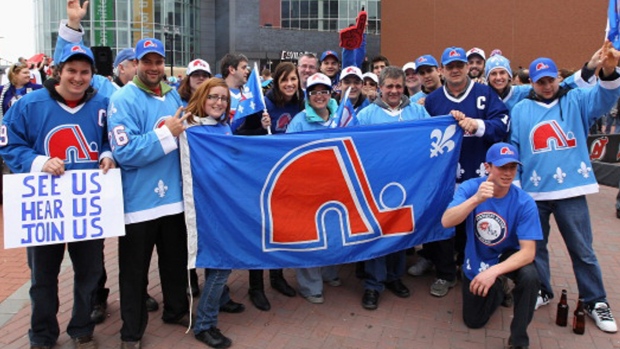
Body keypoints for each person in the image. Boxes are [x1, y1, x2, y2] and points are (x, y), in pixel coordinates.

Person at [0, 43, 113, 349]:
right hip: (44, 205)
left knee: (89, 273)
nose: (78, 77)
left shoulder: (103, 104)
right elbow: (8, 144)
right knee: (42, 277)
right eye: (72, 71)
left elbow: (110, 138)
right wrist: (38, 162)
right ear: (57, 72)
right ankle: (42, 335)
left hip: (86, 204)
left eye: (85, 72)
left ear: (92, 74)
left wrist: (106, 153)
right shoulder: (28, 105)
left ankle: (81, 328)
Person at [510, 45, 619, 333]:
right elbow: (515, 147)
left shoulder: (576, 99)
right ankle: (542, 289)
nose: (547, 86)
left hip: (570, 190)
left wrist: (607, 70)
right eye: (540, 81)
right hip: (535, 192)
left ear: (559, 78)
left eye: (550, 80)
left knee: (582, 249)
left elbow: (605, 98)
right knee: (536, 246)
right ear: (532, 82)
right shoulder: (521, 109)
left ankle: (596, 300)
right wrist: (518, 186)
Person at [107, 37, 191, 348]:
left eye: (158, 62)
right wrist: (165, 134)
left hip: (173, 200)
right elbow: (124, 151)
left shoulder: (171, 97)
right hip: (139, 202)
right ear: (135, 64)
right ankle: (131, 331)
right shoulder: (124, 99)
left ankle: (176, 309)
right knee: (134, 273)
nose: (153, 67)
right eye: (147, 61)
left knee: (174, 263)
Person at [414, 46, 510, 298]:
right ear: (442, 70)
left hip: (479, 174)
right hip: (445, 178)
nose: (455, 70)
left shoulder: (485, 93)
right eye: (450, 66)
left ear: (468, 67)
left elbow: (502, 124)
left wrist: (477, 125)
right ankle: (445, 274)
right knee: (445, 226)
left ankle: (477, 271)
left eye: (460, 65)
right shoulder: (433, 100)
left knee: (480, 227)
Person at [442, 143, 541, 349]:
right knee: (474, 321)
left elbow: (528, 252)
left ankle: (518, 341)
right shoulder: (471, 187)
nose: (508, 173)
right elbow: (446, 221)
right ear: (487, 167)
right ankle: (499, 287)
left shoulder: (524, 202)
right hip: (478, 256)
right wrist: (477, 199)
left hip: (506, 256)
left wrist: (494, 271)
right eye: (502, 167)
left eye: (512, 167)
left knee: (530, 276)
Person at [356, 66, 430, 310]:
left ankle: (394, 277)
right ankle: (373, 284)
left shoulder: (418, 113)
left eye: (399, 86)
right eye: (389, 86)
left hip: (408, 186)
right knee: (377, 234)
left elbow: (435, 137)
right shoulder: (365, 116)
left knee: (400, 232)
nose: (395, 91)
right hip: (376, 186)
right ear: (380, 87)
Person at [181, 78, 237, 349]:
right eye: (213, 97)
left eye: (224, 98)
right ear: (202, 98)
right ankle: (204, 324)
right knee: (221, 264)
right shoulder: (190, 129)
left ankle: (221, 300)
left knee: (220, 263)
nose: (219, 102)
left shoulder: (224, 127)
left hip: (223, 206)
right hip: (205, 209)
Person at [241, 63, 299, 311]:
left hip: (288, 176)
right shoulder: (263, 104)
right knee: (260, 230)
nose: (289, 84)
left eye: (293, 79)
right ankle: (255, 286)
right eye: (284, 80)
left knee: (282, 229)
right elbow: (241, 133)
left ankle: (277, 277)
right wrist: (258, 125)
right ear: (276, 82)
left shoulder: (301, 102)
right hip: (262, 175)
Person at [285, 72, 341, 303]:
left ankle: (329, 272)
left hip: (337, 186)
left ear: (331, 94)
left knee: (333, 232)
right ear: (307, 96)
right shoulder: (299, 121)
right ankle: (311, 285)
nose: (319, 96)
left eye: (324, 91)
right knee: (310, 236)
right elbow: (287, 154)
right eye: (314, 92)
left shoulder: (343, 115)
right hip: (308, 188)